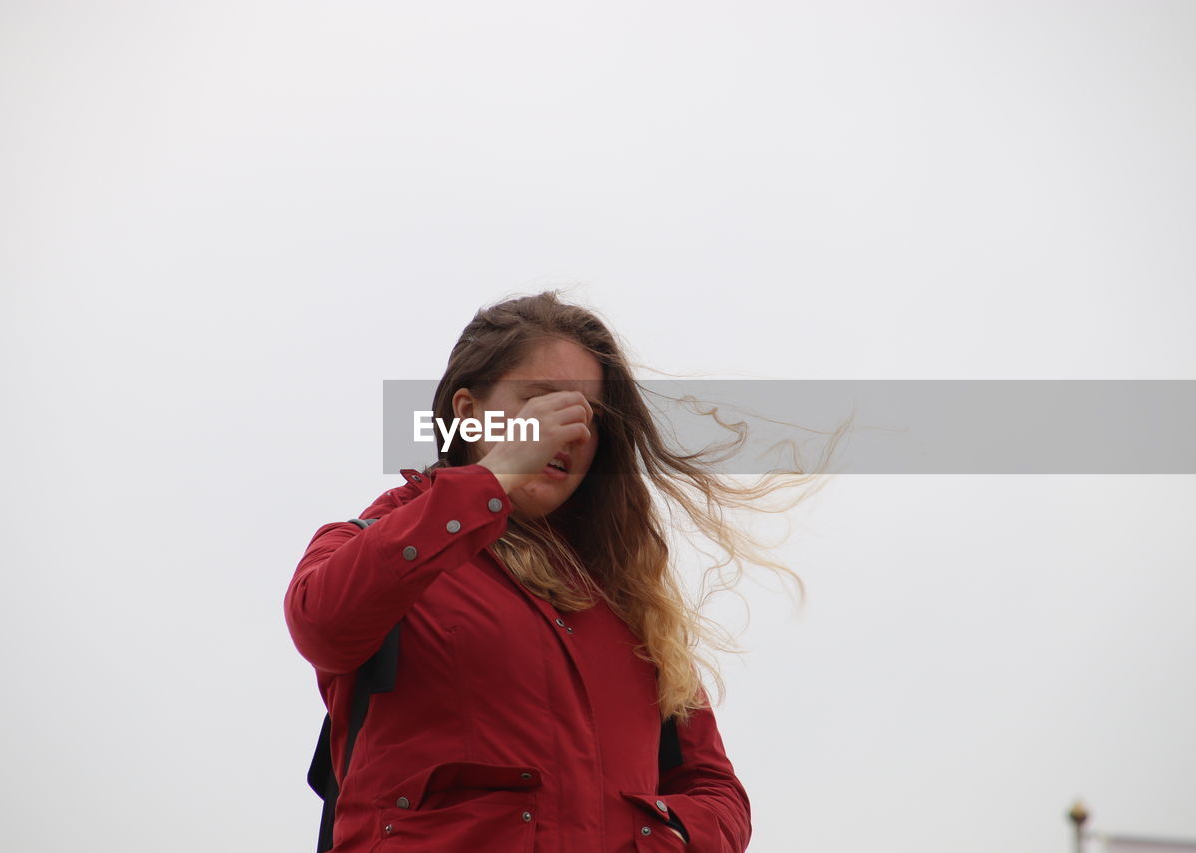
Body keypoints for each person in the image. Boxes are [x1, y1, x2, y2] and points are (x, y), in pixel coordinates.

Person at [286, 291, 817, 852]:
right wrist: (494, 476)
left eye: (587, 415)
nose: (568, 432)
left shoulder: (629, 607)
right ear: (465, 414)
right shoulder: (376, 539)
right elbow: (321, 623)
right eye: (539, 403)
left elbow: (715, 789)